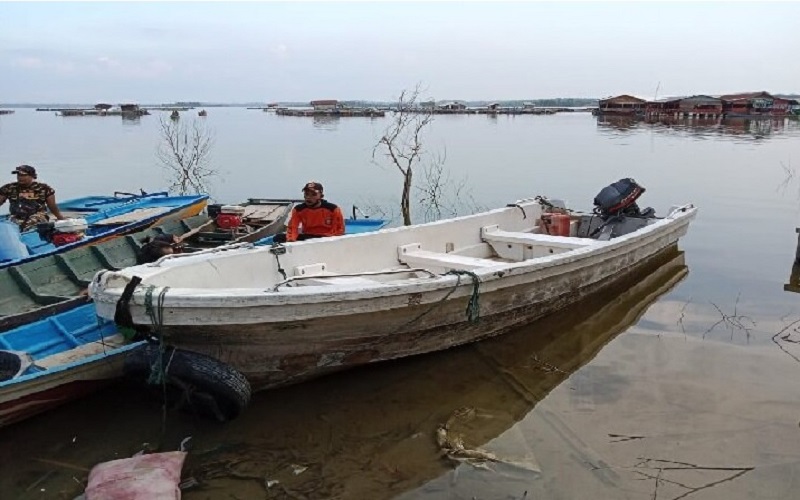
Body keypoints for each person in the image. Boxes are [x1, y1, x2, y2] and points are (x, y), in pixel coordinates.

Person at [274, 181, 345, 243]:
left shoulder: (333, 209)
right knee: (278, 238)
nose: (308, 197)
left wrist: (327, 240)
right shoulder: (299, 209)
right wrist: (291, 240)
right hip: (308, 238)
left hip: (327, 238)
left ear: (321, 196)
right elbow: (293, 227)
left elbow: (339, 230)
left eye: (313, 194)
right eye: (306, 194)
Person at [0, 165, 65, 231]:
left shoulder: (44, 188)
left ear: (32, 176)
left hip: (37, 216)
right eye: (18, 175)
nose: (20, 177)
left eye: (23, 175)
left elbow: (52, 207)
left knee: (29, 225)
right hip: (16, 216)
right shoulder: (9, 188)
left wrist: (60, 218)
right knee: (8, 226)